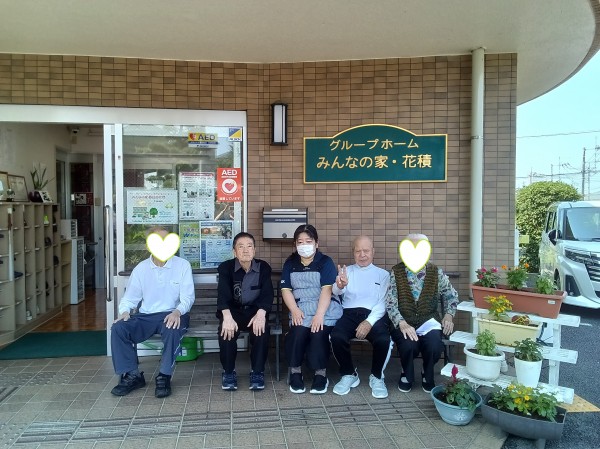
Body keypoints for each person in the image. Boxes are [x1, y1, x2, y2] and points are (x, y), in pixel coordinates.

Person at [110, 226, 194, 398]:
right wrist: (124, 312)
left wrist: (177, 312)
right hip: (145, 316)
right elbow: (129, 298)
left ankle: (164, 376)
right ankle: (132, 375)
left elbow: (188, 297)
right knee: (119, 328)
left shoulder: (182, 265)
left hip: (173, 314)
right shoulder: (141, 269)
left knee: (172, 328)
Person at [386, 233, 458, 393]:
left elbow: (451, 295)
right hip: (404, 321)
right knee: (409, 345)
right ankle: (406, 373)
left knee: (434, 345)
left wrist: (449, 315)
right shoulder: (396, 271)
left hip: (429, 321)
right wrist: (401, 323)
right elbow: (390, 302)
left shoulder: (436, 272)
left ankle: (427, 371)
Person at [281, 224, 343, 394]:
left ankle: (320, 374)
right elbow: (286, 290)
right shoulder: (290, 263)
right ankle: (295, 372)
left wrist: (319, 314)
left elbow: (327, 290)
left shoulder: (325, 262)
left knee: (318, 333)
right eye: (300, 242)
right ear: (295, 244)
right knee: (297, 333)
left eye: (308, 241)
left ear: (316, 243)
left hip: (325, 308)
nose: (304, 245)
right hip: (301, 309)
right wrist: (294, 310)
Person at [330, 236, 392, 398]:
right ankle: (349, 374)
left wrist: (369, 322)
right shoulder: (347, 271)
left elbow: (383, 302)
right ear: (353, 252)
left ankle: (377, 377)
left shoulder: (383, 274)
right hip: (349, 314)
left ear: (373, 252)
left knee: (383, 340)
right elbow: (335, 291)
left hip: (374, 315)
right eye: (358, 251)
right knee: (336, 336)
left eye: (366, 251)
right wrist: (340, 285)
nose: (362, 255)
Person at [217, 232, 274, 391]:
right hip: (233, 312)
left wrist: (261, 314)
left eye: (249, 246)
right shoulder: (225, 268)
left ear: (254, 250)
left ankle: (257, 372)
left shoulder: (263, 267)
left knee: (261, 331)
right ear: (234, 251)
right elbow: (223, 294)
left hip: (255, 312)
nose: (245, 250)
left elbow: (267, 293)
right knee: (226, 332)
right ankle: (228, 372)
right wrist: (227, 317)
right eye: (240, 246)